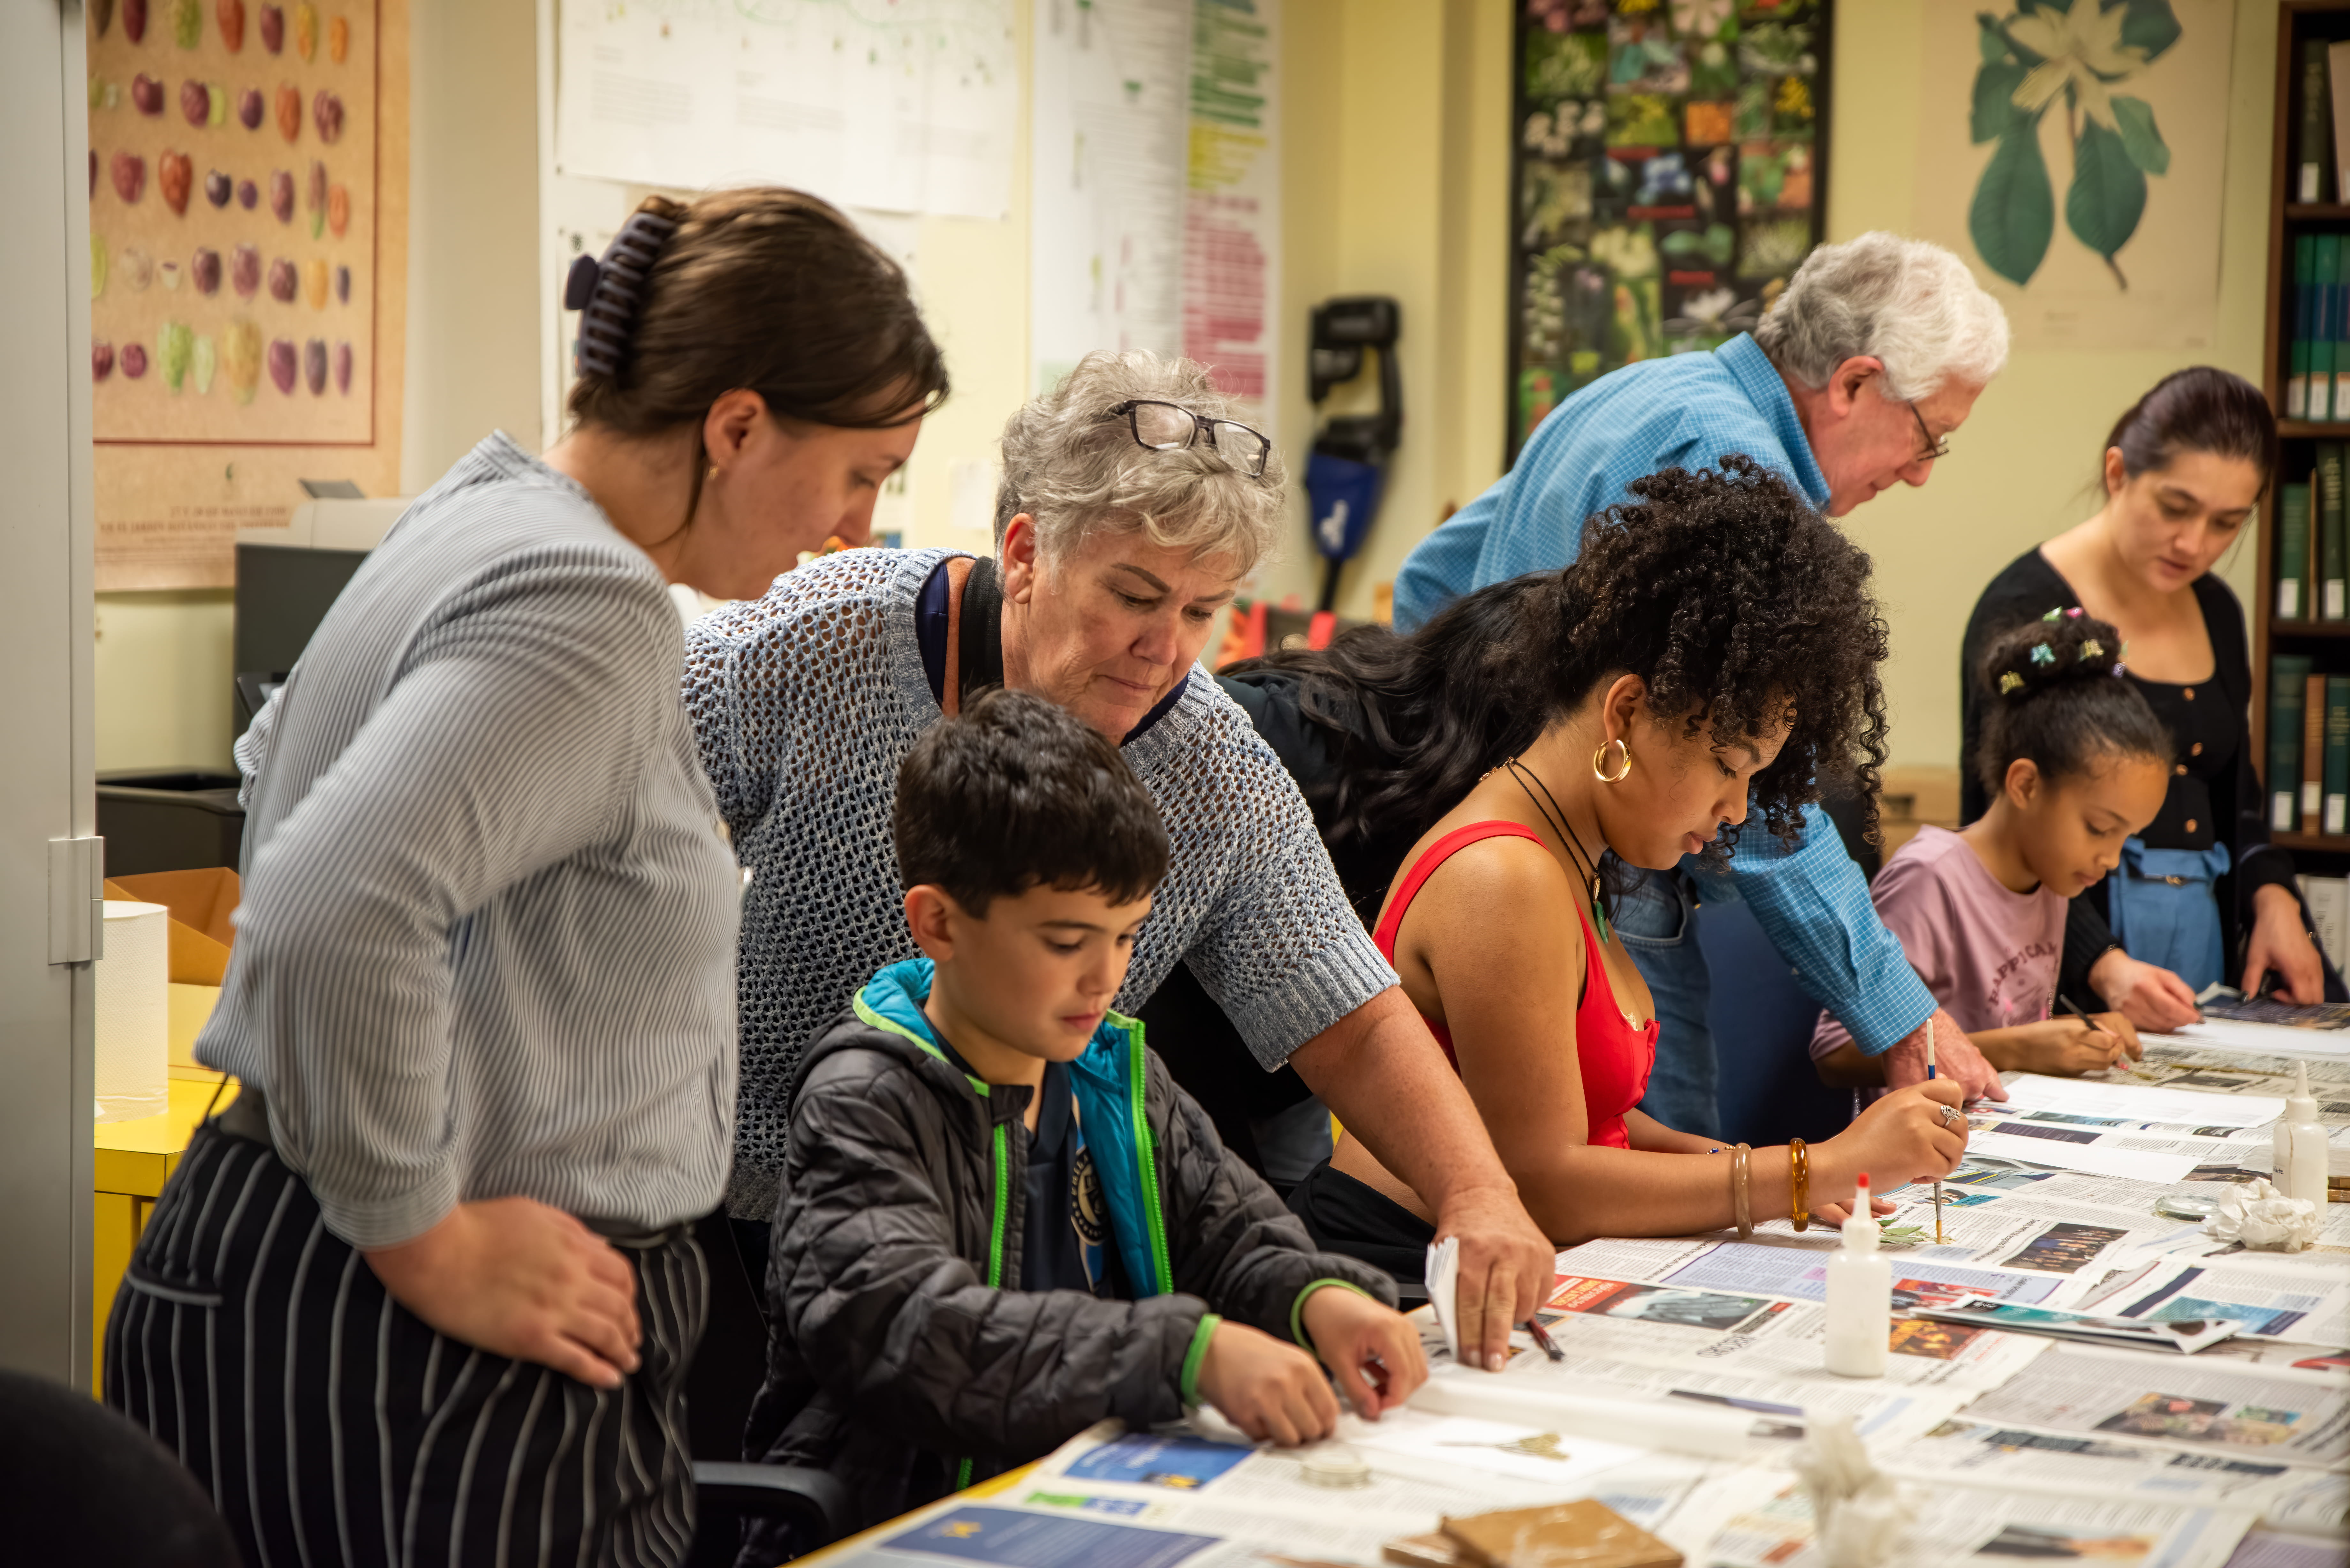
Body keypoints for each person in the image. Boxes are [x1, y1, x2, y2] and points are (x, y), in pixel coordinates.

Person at [104, 188, 947, 1568]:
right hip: (417, 1348)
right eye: (864, 470)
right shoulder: (586, 605)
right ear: (734, 427)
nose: (859, 523)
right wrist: (424, 1237)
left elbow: (295, 788)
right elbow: (329, 903)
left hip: (311, 1282)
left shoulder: (482, 514)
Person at [686, 351, 1552, 1368]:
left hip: (1010, 1254)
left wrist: (1477, 1193)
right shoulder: (821, 638)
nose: (1168, 649)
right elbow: (597, 802)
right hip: (740, 1209)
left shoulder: (1212, 764)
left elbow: (1348, 1018)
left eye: (1200, 612)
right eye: (1136, 595)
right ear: (1023, 552)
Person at [739, 690, 1425, 1557]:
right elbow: (911, 1330)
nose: (1104, 979)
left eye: (1127, 936)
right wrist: (1189, 1352)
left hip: (1092, 1509)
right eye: (1066, 942)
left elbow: (1230, 1233)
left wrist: (1316, 1295)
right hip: (905, 1530)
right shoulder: (866, 1097)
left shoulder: (1113, 1073)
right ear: (939, 923)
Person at [1239, 461, 1968, 1272]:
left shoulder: (1568, 852)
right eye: (1728, 763)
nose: (1735, 809)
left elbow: (1597, 1120)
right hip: (1397, 1270)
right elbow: (1542, 1182)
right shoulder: (1503, 877)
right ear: (1624, 711)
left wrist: (1752, 1176)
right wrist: (1809, 1168)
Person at [1388, 232, 2014, 1136]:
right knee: (1645, 1215)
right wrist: (1898, 1010)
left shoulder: (1639, 390)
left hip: (1520, 832)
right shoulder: (1734, 466)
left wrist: (1476, 757)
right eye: (1931, 440)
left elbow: (1430, 580)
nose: (1918, 475)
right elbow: (1765, 811)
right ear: (1853, 383)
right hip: (1618, 861)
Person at [1961, 367, 2331, 1023]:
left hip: (2202, 944)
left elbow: (2234, 792)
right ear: (2116, 472)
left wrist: (2272, 893)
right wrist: (2100, 963)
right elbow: (1996, 824)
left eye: (2226, 523)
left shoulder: (2216, 608)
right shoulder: (2025, 608)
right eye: (2174, 507)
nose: (2194, 544)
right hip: (2077, 960)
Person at [1814, 613, 2168, 1088]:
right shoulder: (1932, 878)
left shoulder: (2052, 876)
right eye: (2099, 828)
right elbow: (1835, 1051)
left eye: (2127, 837)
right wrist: (2020, 1048)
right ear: (2025, 785)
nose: (2110, 857)